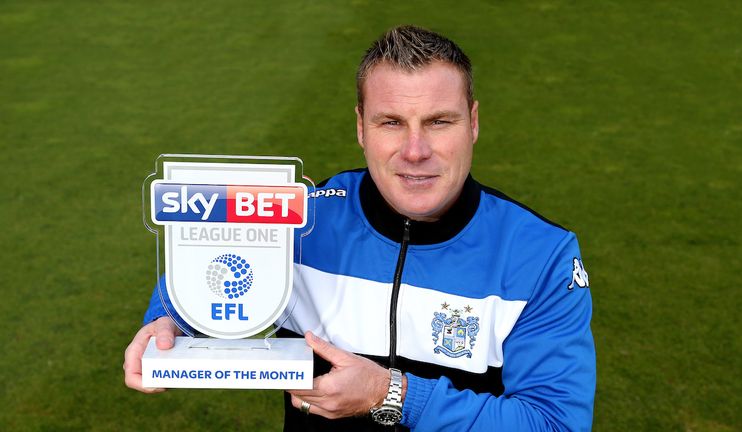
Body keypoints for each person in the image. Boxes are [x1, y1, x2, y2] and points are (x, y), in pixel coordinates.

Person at [124, 25, 596, 431]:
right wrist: (164, 323)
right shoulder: (299, 219)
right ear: (360, 128)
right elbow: (199, 272)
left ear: (472, 123)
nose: (415, 151)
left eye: (438, 122)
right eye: (391, 122)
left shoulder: (541, 255)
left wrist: (389, 394)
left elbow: (554, 422)